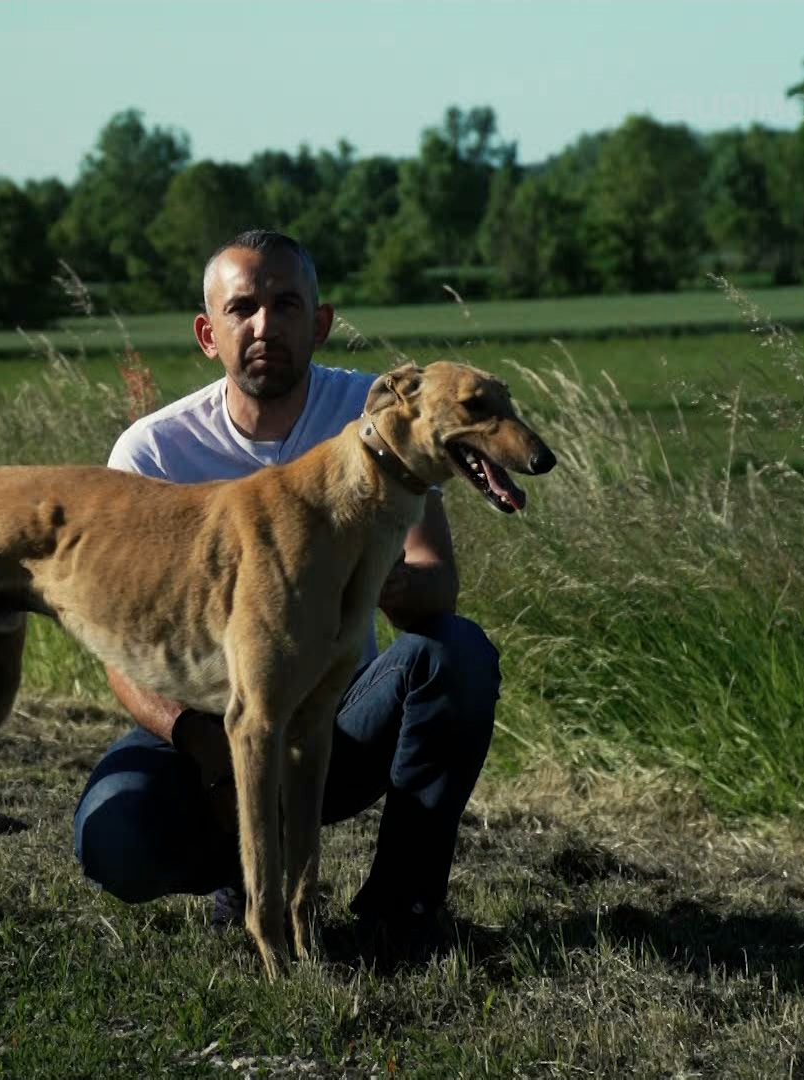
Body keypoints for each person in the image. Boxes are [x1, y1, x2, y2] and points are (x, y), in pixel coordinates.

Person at [70, 229, 501, 968]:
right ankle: (238, 881)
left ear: (320, 321)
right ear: (209, 333)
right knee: (113, 836)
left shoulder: (380, 419)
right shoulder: (151, 452)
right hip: (200, 732)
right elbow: (120, 645)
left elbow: (438, 587)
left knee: (455, 654)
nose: (264, 325)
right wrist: (199, 741)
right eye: (242, 309)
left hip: (335, 722)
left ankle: (402, 911)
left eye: (286, 304)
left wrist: (377, 580)